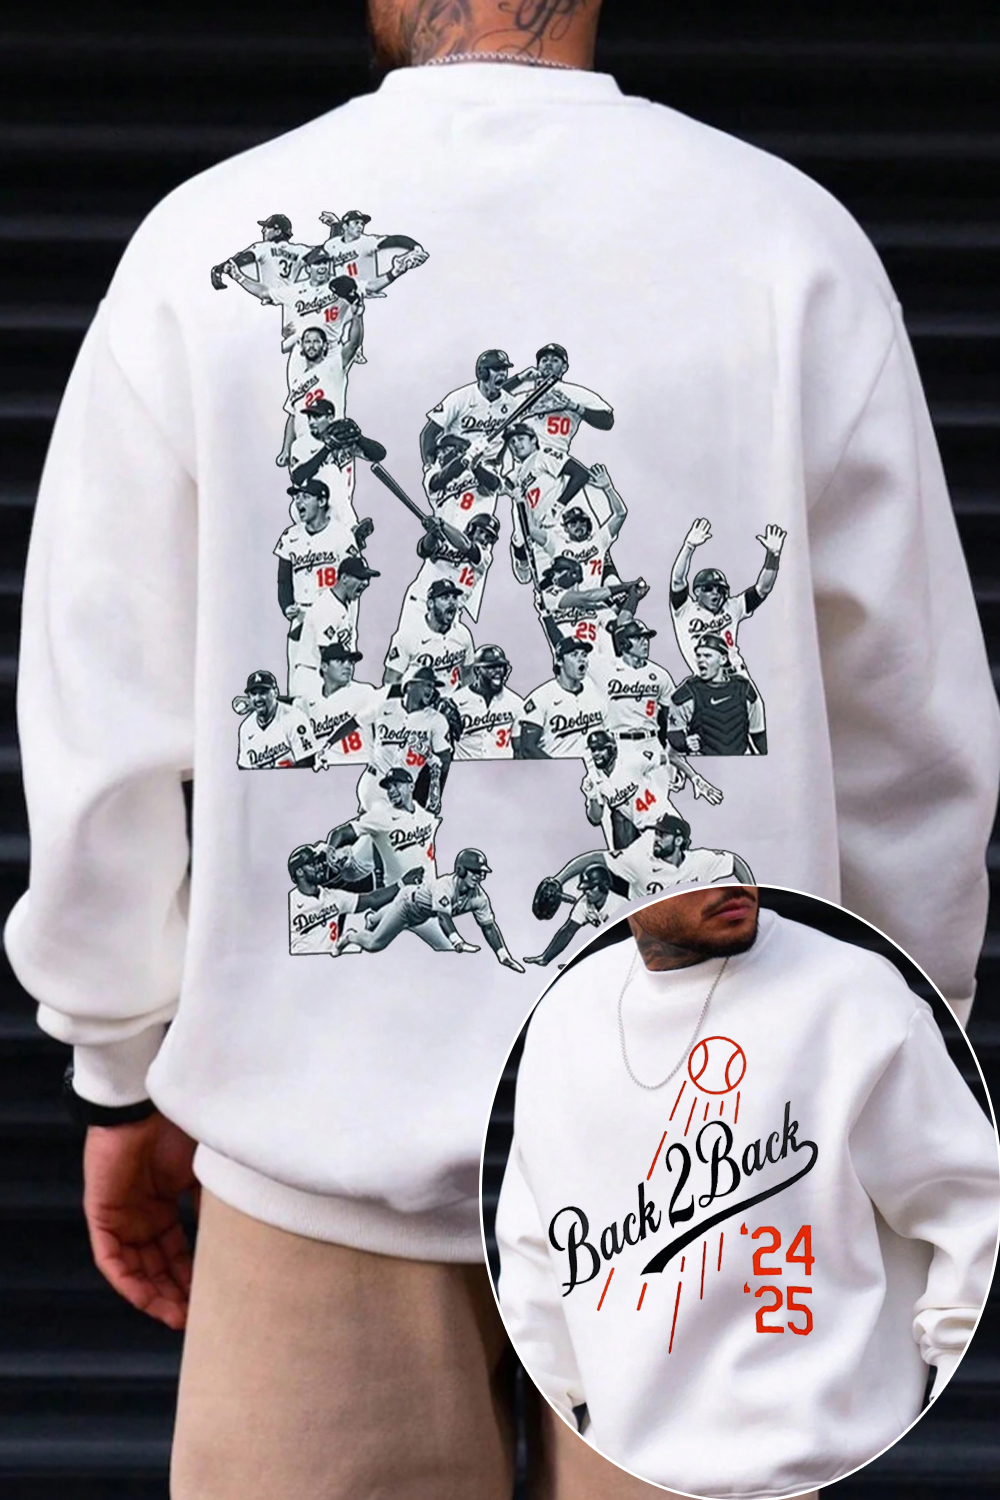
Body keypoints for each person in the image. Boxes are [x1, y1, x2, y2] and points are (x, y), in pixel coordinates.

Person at [4, 1, 997, 1497]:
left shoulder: (200, 243)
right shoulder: (785, 242)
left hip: (316, 1149)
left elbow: (104, 728)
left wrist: (116, 1067)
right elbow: (911, 742)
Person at [496, 886, 1000, 1495]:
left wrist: (936, 1395)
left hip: (823, 1471)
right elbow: (534, 1257)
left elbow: (972, 1213)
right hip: (621, 1469)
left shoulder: (851, 994)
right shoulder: (567, 1013)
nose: (728, 881)